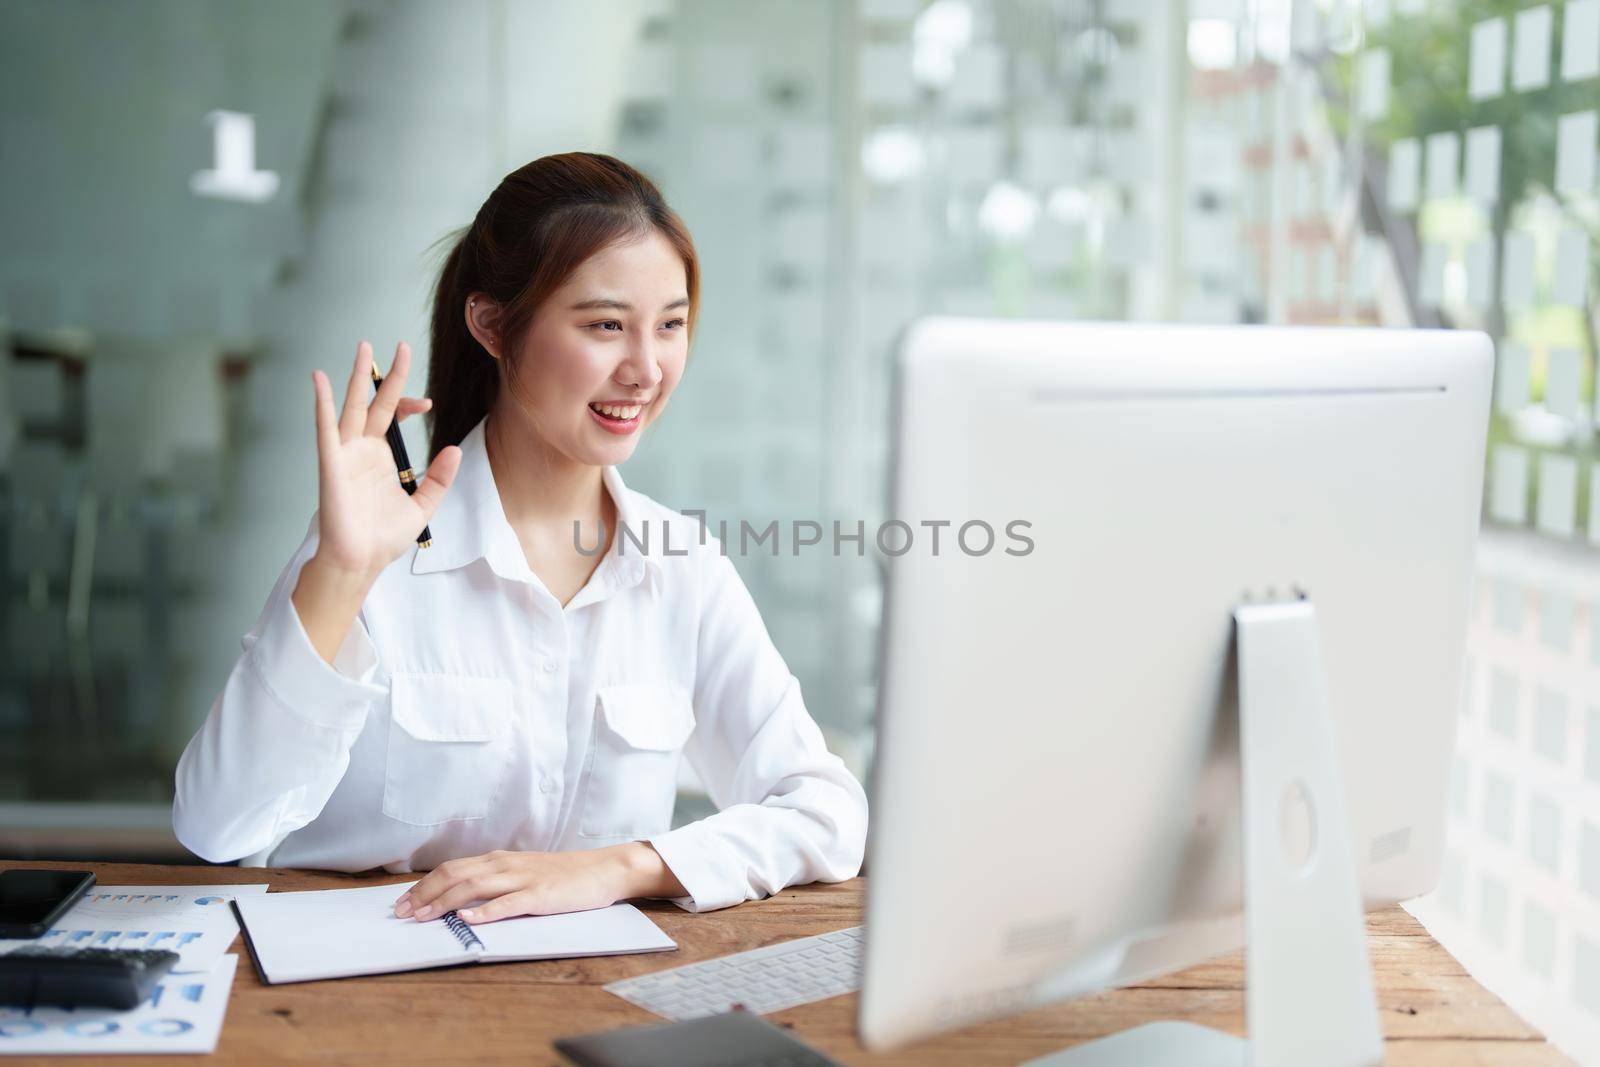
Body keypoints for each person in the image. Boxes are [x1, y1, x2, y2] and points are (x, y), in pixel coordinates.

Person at [172, 152, 868, 924]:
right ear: (494, 325)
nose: (646, 368)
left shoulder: (682, 565)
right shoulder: (382, 542)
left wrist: (617, 868)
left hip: (585, 997)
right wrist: (341, 569)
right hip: (358, 992)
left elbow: (826, 811)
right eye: (606, 325)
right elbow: (216, 826)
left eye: (670, 326)